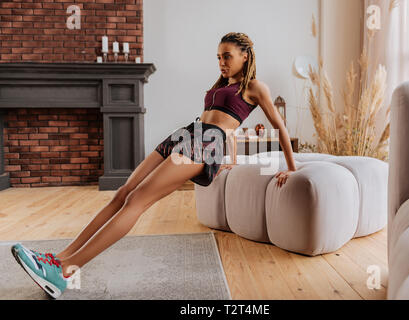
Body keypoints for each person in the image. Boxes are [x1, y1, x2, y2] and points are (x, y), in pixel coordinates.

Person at [10, 32, 298, 299]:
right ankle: (59, 258)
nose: (222, 62)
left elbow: (278, 127)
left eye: (227, 56)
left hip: (204, 144)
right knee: (123, 193)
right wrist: (230, 160)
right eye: (219, 57)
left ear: (245, 55)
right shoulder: (221, 86)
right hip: (188, 134)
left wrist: (292, 168)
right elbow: (226, 126)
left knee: (137, 200)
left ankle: (64, 272)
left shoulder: (255, 86)